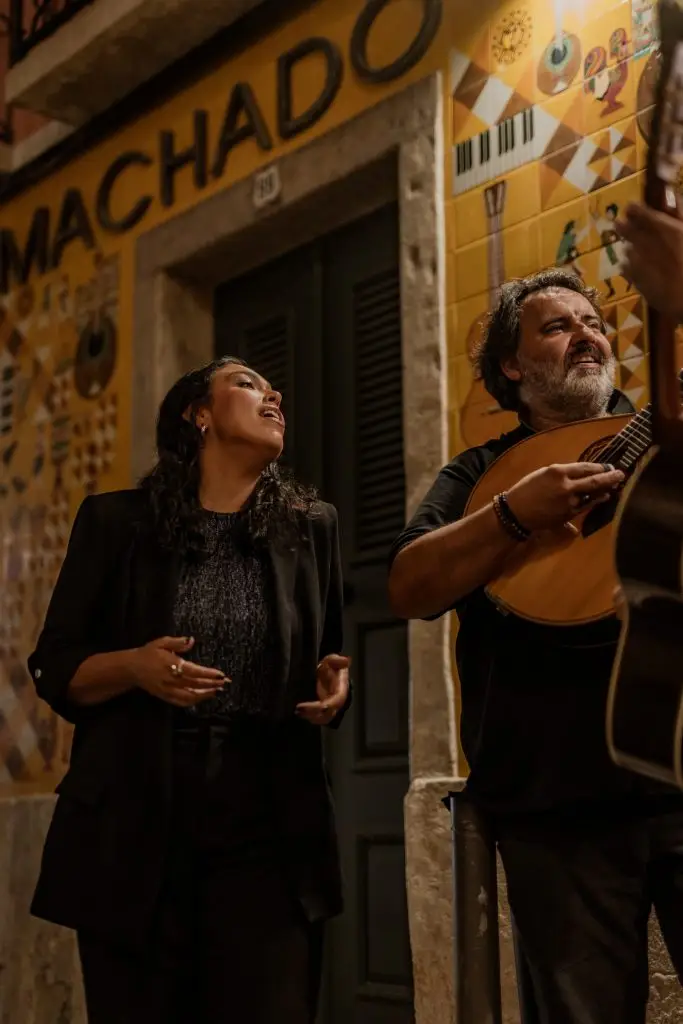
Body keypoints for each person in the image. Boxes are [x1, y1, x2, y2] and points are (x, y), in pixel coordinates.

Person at [388, 267, 683, 1024]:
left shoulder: (670, 442)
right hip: (555, 806)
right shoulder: (478, 475)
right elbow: (410, 588)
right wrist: (513, 515)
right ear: (511, 367)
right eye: (557, 326)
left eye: (592, 322)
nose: (586, 334)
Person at [28, 356, 351, 1024]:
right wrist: (134, 667)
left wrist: (333, 683)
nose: (273, 395)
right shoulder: (114, 523)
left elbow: (329, 651)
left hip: (268, 819)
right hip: (135, 816)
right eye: (247, 384)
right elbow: (55, 667)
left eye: (274, 389)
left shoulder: (311, 527)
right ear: (197, 414)